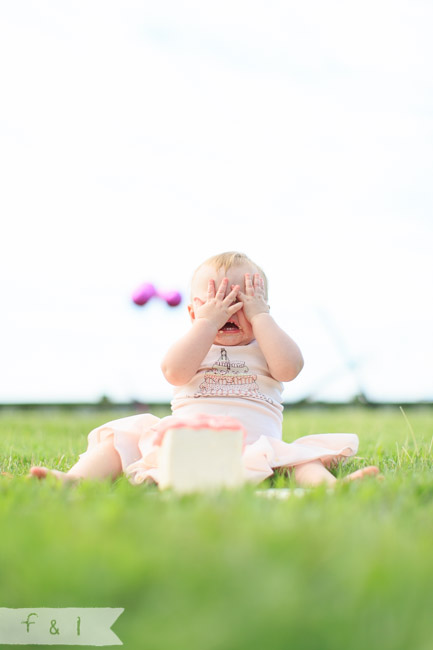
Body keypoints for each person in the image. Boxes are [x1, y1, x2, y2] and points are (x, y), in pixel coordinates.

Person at [30, 251, 379, 487]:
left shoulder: (267, 346)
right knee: (125, 437)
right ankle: (75, 481)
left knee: (302, 459)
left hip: (255, 447)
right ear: (193, 313)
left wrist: (261, 319)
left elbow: (290, 369)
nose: (227, 312)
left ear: (262, 308)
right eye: (215, 303)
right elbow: (174, 372)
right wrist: (205, 327)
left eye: (240, 302)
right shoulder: (196, 345)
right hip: (182, 445)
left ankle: (330, 490)